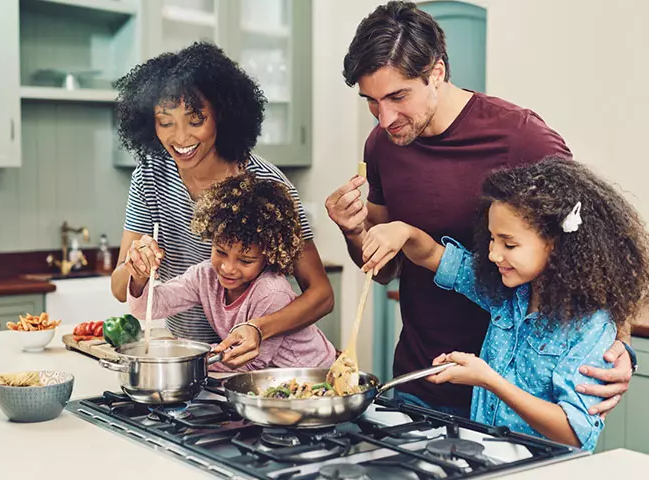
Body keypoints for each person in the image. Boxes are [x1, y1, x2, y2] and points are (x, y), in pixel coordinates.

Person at [326, 1, 634, 416]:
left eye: (398, 96)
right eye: (372, 101)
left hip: (519, 399)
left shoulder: (521, 138)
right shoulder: (382, 146)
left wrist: (622, 346)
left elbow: (598, 246)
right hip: (421, 381)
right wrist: (353, 231)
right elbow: (384, 272)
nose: (385, 118)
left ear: (436, 71)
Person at [359, 158, 649, 450]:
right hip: (491, 458)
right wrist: (404, 232)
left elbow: (574, 432)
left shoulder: (589, 328)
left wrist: (489, 380)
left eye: (509, 244)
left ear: (556, 244)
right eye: (492, 239)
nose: (495, 254)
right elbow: (432, 255)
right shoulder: (505, 292)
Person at [111, 42, 334, 368]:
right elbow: (121, 289)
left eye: (195, 119)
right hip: (192, 359)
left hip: (256, 366)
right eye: (166, 121)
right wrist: (136, 268)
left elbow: (321, 295)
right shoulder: (150, 176)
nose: (180, 137)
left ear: (222, 114)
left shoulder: (267, 185)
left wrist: (258, 329)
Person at [126, 173, 336, 371]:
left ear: (269, 255)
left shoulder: (271, 292)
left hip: (312, 372)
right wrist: (140, 275)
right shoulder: (205, 276)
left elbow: (249, 363)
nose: (228, 268)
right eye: (220, 252)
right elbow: (147, 308)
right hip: (268, 378)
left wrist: (183, 353)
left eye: (245, 260)